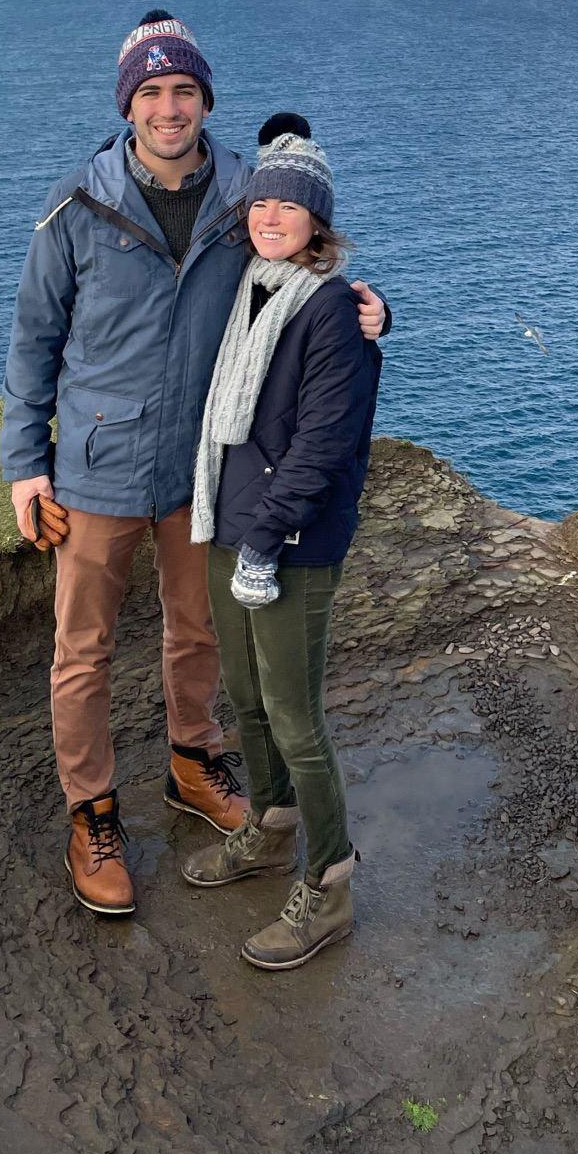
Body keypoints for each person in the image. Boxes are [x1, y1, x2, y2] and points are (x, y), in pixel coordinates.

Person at [0, 13, 390, 919]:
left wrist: (370, 308)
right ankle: (91, 811)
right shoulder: (75, 207)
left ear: (206, 99)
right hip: (96, 464)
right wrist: (27, 464)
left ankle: (190, 759)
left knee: (199, 630)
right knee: (80, 651)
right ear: (127, 105)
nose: (169, 108)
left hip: (204, 465)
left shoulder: (243, 200)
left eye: (184, 91)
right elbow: (31, 340)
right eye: (151, 93)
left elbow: (304, 268)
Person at [180, 116, 380, 971]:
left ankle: (329, 884)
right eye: (261, 199)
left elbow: (324, 442)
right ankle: (269, 828)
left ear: (317, 221)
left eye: (289, 205)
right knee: (245, 696)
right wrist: (238, 530)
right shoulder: (250, 282)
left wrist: (264, 536)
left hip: (289, 541)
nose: (271, 214)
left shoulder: (334, 309)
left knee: (296, 717)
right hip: (227, 521)